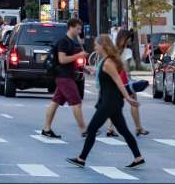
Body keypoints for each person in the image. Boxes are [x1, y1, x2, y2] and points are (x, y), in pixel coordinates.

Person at [67, 35, 145, 170]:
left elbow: (119, 82)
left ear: (102, 46)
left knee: (91, 129)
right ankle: (138, 157)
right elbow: (104, 78)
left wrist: (128, 98)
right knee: (124, 130)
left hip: (110, 102)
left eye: (96, 45)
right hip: (111, 101)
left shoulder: (108, 62)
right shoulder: (105, 61)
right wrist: (89, 70)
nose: (95, 48)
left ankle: (81, 159)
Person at [42, 18, 88, 139]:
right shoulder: (64, 41)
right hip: (64, 77)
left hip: (66, 76)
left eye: (80, 29)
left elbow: (71, 62)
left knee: (55, 102)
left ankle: (46, 128)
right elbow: (62, 60)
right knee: (76, 103)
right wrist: (79, 55)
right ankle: (84, 130)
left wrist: (85, 69)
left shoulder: (71, 42)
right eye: (78, 29)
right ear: (71, 27)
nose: (79, 31)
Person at [106, 29, 148, 137]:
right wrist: (130, 79)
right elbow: (126, 69)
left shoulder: (112, 50)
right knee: (133, 102)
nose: (130, 41)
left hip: (112, 80)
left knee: (113, 105)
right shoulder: (127, 51)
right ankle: (138, 127)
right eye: (129, 39)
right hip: (123, 80)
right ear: (125, 39)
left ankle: (110, 128)